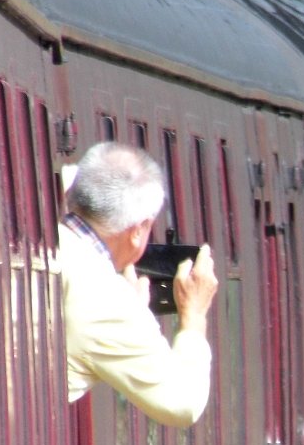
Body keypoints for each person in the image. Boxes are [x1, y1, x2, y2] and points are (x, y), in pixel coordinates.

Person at [59, 141, 219, 428]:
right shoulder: (106, 297)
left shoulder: (40, 243)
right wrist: (193, 317)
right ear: (138, 230)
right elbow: (182, 404)